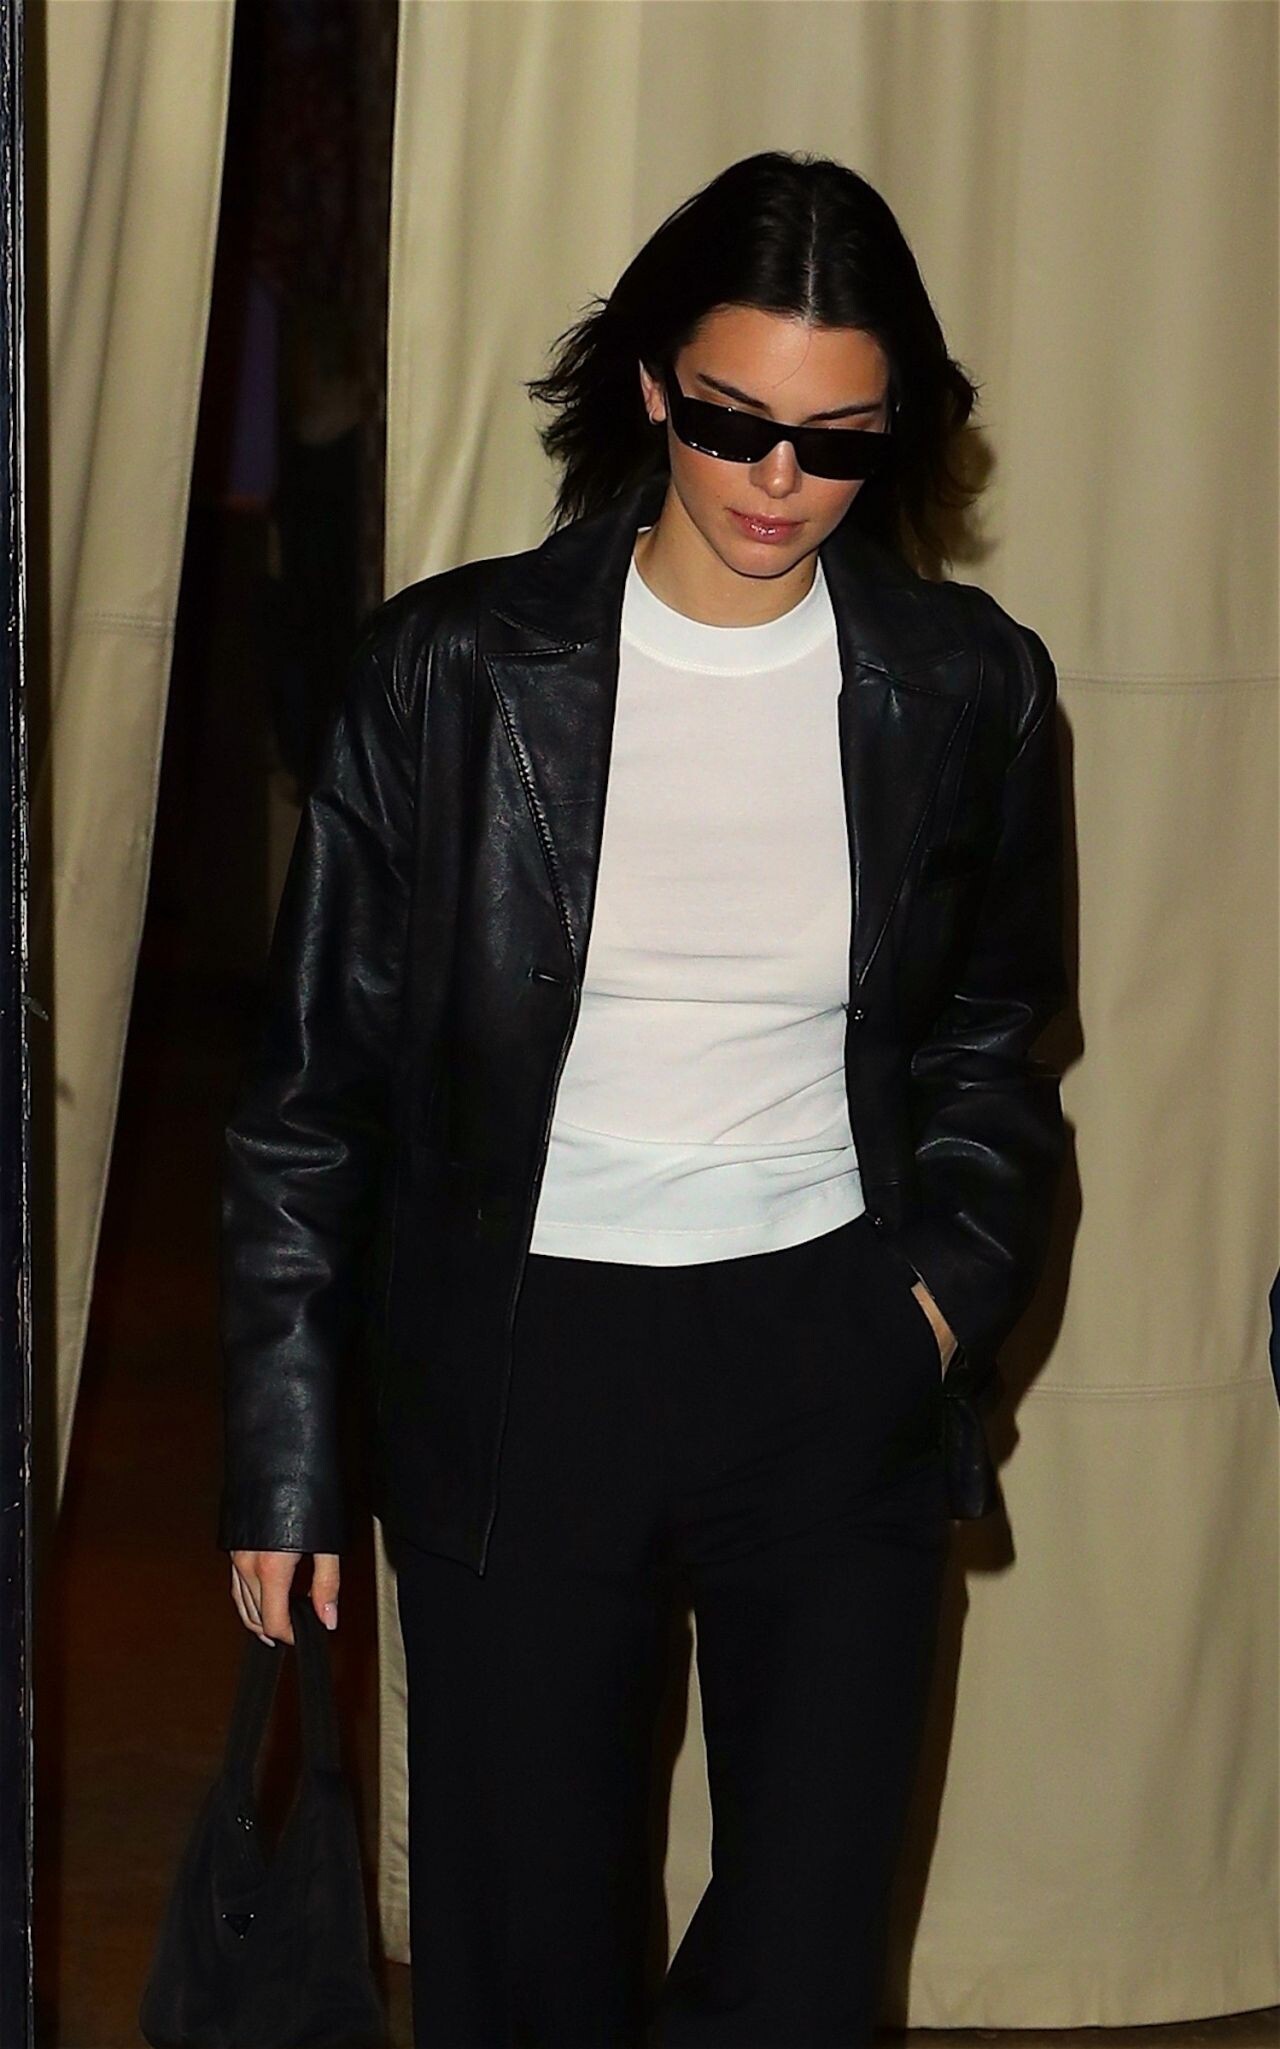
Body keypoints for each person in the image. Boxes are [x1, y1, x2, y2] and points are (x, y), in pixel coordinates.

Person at [218, 150, 1068, 2048]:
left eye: (835, 441)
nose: (778, 481)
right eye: (734, 421)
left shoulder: (965, 688)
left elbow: (997, 1046)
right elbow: (310, 1095)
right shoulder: (449, 672)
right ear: (651, 387)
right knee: (532, 1969)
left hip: (832, 1349)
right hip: (525, 1360)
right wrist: (285, 1449)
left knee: (804, 1972)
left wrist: (930, 1305)